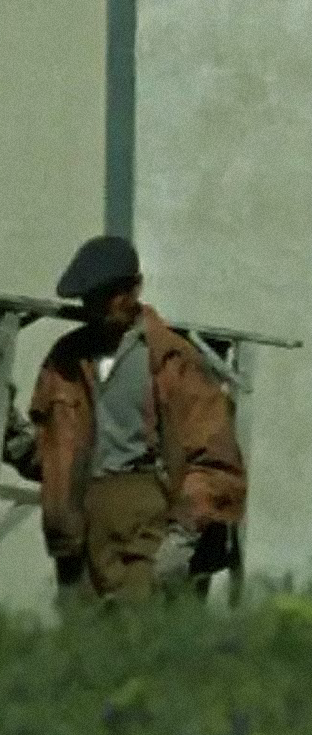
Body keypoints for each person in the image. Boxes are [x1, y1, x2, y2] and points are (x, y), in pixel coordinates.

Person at [25, 235, 245, 604]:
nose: (100, 307)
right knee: (83, 649)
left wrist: (183, 536)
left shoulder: (172, 359)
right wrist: (17, 442)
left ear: (135, 288)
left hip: (151, 523)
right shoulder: (65, 360)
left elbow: (215, 461)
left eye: (110, 294)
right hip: (81, 532)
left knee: (140, 642)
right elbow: (51, 455)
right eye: (91, 298)